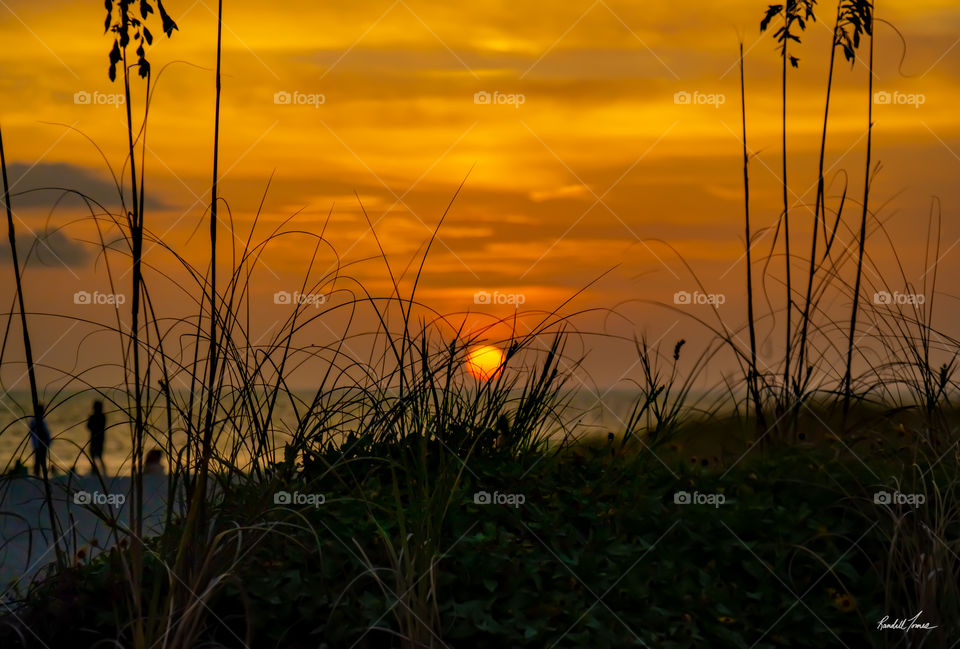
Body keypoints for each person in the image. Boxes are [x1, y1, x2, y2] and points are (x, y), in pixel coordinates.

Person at [29, 403, 51, 478]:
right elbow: (33, 434)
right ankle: (37, 476)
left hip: (43, 444)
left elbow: (46, 434)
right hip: (38, 445)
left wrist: (48, 442)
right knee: (38, 462)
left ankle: (43, 477)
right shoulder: (34, 422)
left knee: (42, 462)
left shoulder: (42, 421)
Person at [86, 400, 107, 476]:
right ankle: (95, 471)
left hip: (99, 439)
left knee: (99, 455)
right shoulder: (93, 416)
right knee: (93, 455)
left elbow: (100, 426)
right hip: (94, 439)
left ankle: (102, 472)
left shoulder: (101, 416)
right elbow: (88, 426)